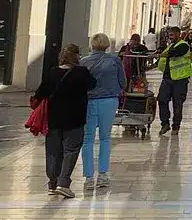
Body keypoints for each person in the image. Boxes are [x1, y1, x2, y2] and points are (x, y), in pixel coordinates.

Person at [33, 45, 95, 198]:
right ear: (77, 57)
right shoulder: (81, 73)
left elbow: (40, 93)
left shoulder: (52, 73)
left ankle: (52, 183)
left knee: (53, 151)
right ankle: (64, 183)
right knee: (71, 150)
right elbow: (93, 85)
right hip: (75, 119)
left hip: (54, 119)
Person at [80, 33, 125, 189]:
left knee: (88, 138)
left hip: (89, 101)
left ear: (92, 45)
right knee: (105, 137)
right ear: (107, 45)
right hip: (109, 100)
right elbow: (122, 81)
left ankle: (88, 178)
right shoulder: (114, 61)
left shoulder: (83, 62)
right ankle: (103, 175)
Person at [155, 29, 192, 136]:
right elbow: (162, 60)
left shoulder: (184, 45)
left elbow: (173, 54)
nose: (170, 36)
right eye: (169, 35)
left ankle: (176, 126)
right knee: (162, 100)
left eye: (172, 34)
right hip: (167, 78)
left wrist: (161, 54)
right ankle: (165, 124)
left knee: (177, 103)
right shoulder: (169, 46)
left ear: (178, 34)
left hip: (180, 80)